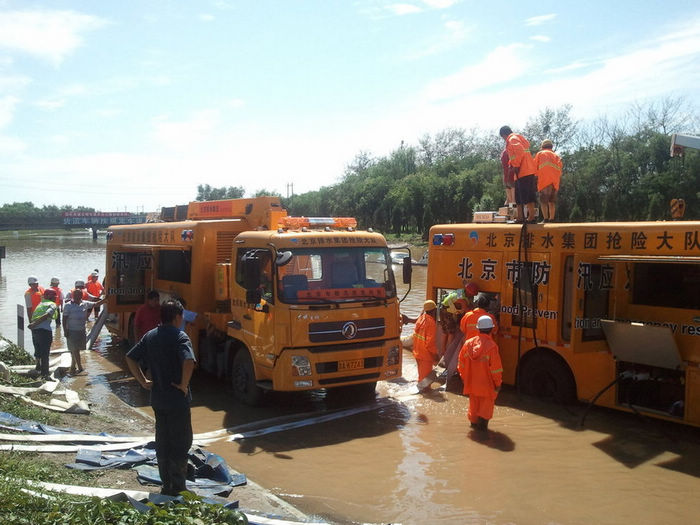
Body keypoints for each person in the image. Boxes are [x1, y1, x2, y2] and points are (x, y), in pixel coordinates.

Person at [125, 299, 196, 496]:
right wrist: (183, 384)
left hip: (157, 399)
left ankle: (166, 485)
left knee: (163, 442)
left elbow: (130, 357)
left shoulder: (151, 336)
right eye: (181, 316)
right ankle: (179, 487)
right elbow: (189, 360)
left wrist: (143, 381)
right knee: (181, 442)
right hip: (177, 400)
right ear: (177, 317)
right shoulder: (180, 336)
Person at [458, 315, 503, 431]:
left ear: (478, 328)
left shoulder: (468, 344)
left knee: (473, 410)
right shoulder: (492, 347)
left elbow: (461, 364)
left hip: (472, 385)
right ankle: (482, 436)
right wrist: (498, 384)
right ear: (491, 329)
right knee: (485, 413)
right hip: (487, 386)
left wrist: (465, 379)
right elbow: (496, 369)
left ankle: (474, 432)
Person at [63, 289, 106, 374]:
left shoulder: (85, 303)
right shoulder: (68, 305)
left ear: (81, 296)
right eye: (75, 295)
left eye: (79, 295)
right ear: (72, 296)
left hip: (81, 331)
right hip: (71, 331)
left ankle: (72, 367)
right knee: (75, 350)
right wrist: (65, 330)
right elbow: (64, 319)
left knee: (77, 350)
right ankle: (80, 367)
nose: (77, 297)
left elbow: (96, 304)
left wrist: (106, 299)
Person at [500, 126, 537, 223]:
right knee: (519, 196)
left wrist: (515, 165)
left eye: (503, 138)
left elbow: (519, 151)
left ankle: (531, 217)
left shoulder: (512, 139)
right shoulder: (519, 138)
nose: (504, 140)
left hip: (523, 171)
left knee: (527, 195)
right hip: (525, 171)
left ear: (504, 135)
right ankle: (520, 217)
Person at [27, 288, 58, 380]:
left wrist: (33, 325)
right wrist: (34, 324)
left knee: (38, 351)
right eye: (53, 296)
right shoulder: (52, 304)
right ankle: (45, 375)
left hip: (35, 331)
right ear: (48, 296)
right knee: (45, 354)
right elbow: (48, 315)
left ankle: (38, 368)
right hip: (44, 331)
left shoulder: (40, 304)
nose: (55, 298)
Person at [412, 299, 439, 392]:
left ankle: (420, 393)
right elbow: (430, 343)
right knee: (425, 384)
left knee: (421, 377)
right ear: (434, 311)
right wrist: (435, 356)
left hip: (417, 352)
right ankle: (423, 398)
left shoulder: (421, 318)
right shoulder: (431, 323)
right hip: (425, 356)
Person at [534, 139, 563, 223]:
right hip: (554, 182)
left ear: (542, 147)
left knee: (543, 201)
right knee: (552, 201)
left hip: (544, 181)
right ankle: (552, 219)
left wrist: (535, 178)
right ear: (551, 146)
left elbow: (534, 167)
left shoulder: (540, 154)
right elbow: (560, 170)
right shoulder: (556, 156)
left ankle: (546, 219)